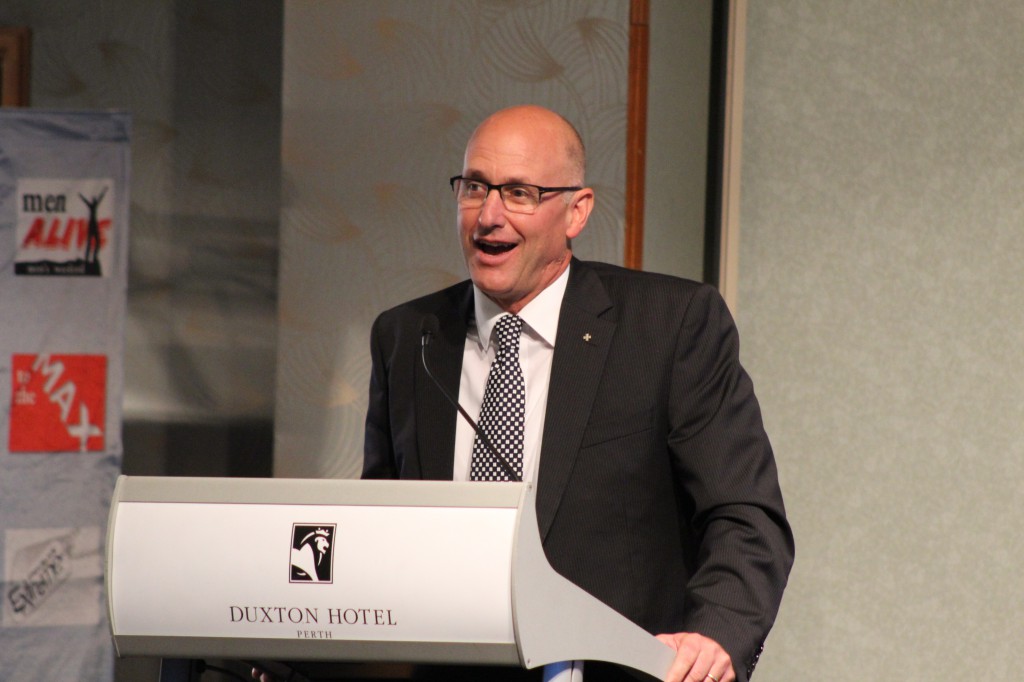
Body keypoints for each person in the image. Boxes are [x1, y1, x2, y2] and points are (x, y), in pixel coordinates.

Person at [360, 105, 794, 682]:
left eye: (519, 193)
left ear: (577, 211)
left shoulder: (669, 325)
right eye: (474, 187)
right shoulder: (408, 335)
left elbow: (745, 516)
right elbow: (381, 525)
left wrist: (713, 638)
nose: (489, 216)